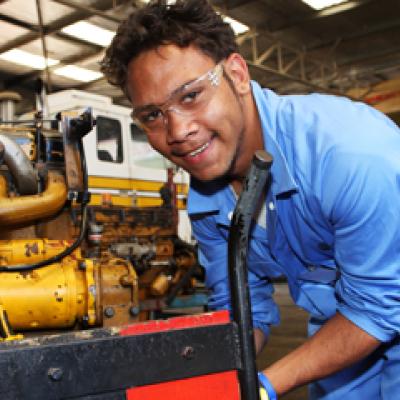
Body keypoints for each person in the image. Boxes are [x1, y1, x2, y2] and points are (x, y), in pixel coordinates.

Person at [101, 0, 400, 398]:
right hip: (344, 330)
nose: (177, 130)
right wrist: (207, 378)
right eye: (153, 115)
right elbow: (246, 310)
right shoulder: (209, 198)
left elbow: (378, 306)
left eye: (190, 96)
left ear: (237, 74)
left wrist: (263, 387)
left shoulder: (349, 155)